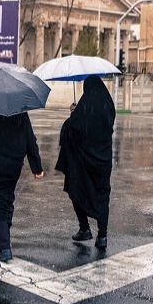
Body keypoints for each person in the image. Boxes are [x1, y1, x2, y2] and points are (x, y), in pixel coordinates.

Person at [0, 111, 44, 263]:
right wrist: (36, 167)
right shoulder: (20, 112)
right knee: (4, 197)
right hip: (12, 165)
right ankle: (4, 225)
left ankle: (5, 246)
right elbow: (30, 140)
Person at [55, 75, 115, 250]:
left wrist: (74, 113)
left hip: (83, 163)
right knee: (103, 195)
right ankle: (102, 236)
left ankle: (84, 228)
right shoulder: (108, 105)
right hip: (103, 161)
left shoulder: (85, 106)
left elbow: (71, 128)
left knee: (77, 190)